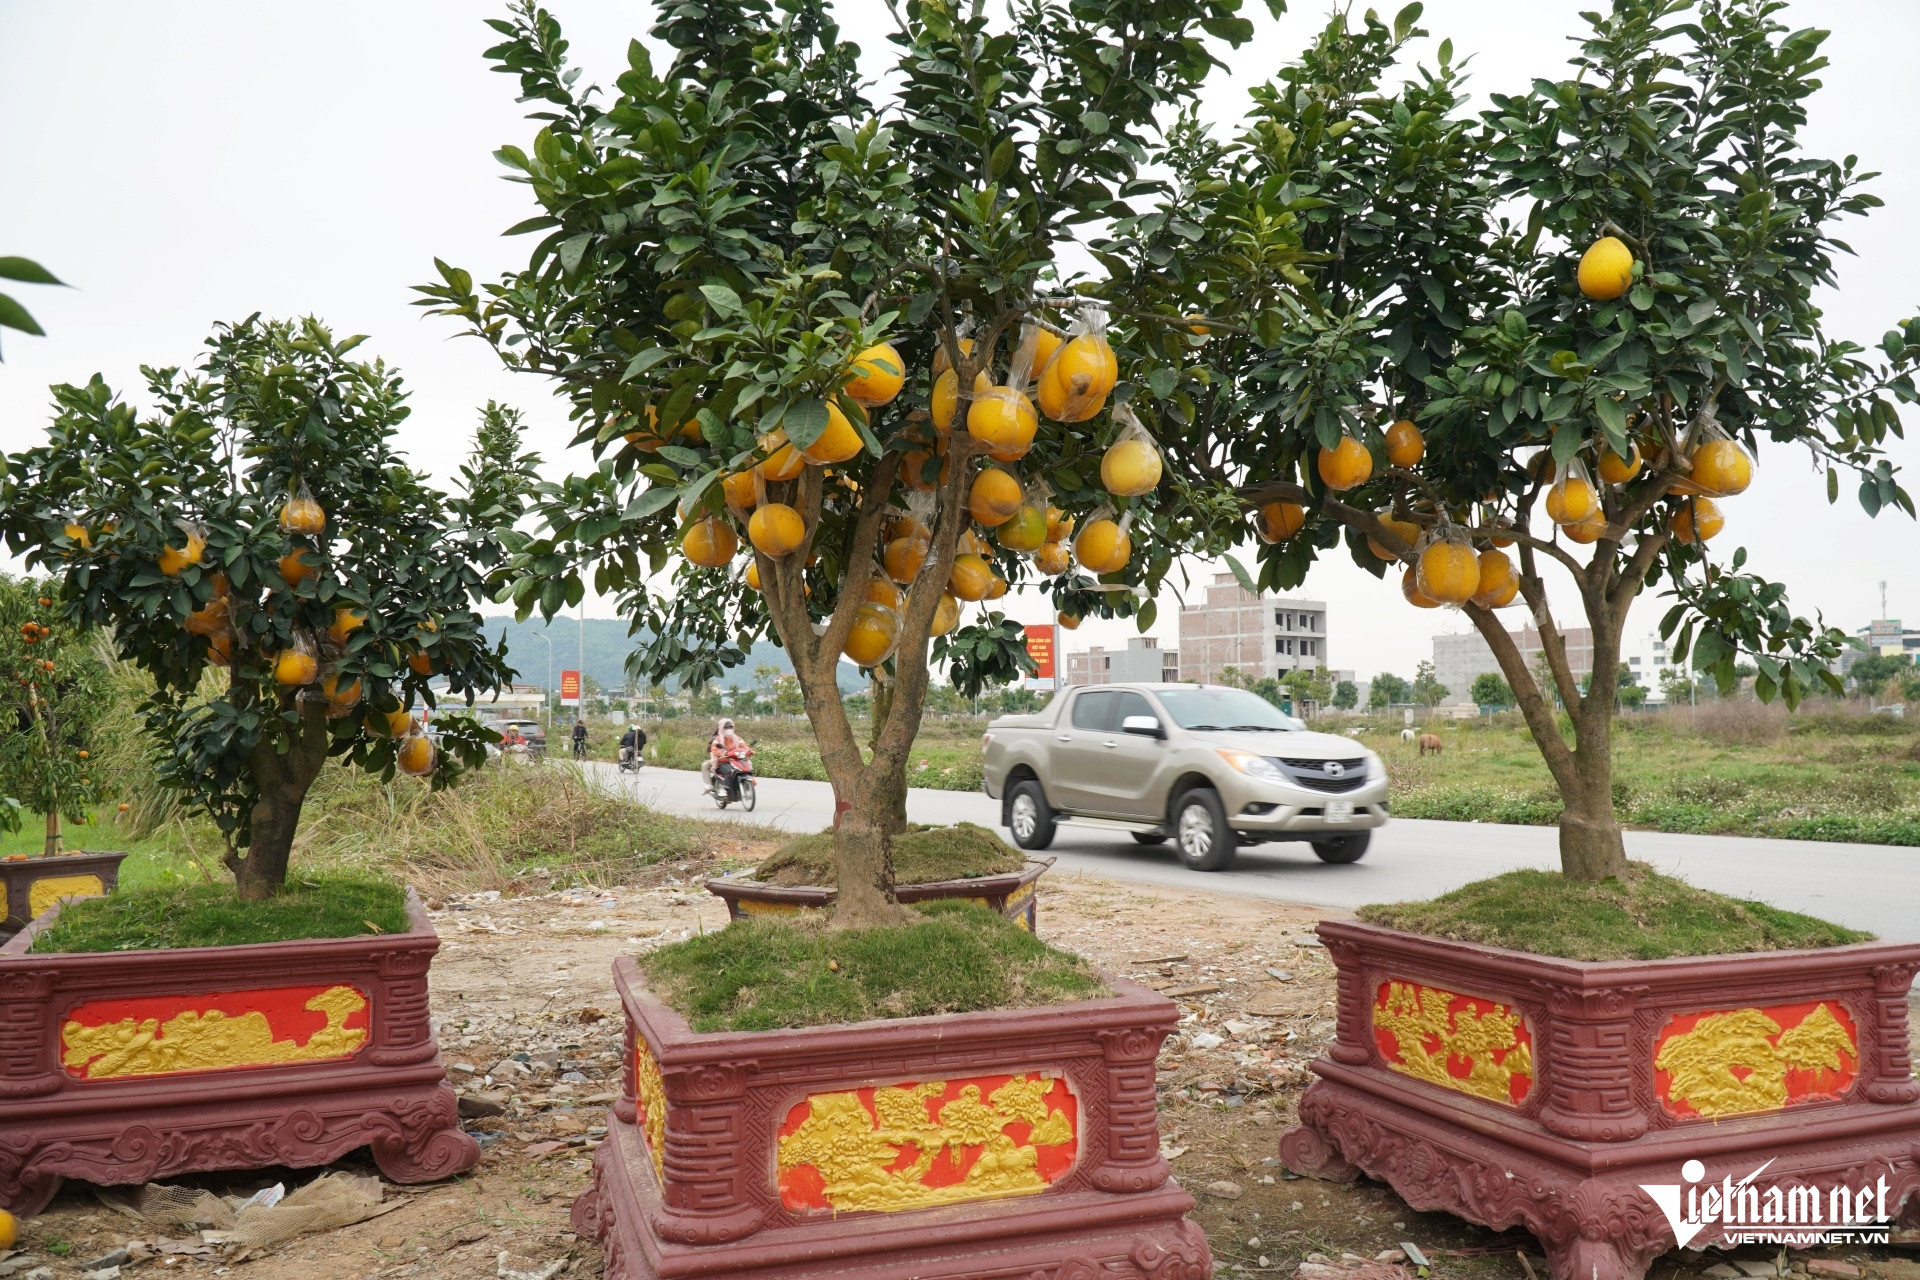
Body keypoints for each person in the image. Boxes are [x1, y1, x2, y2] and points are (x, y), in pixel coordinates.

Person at [708, 717, 751, 799]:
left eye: (730, 727)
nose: (729, 729)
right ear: (722, 728)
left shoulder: (737, 738)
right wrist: (722, 753)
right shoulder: (718, 739)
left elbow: (743, 746)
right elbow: (714, 749)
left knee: (747, 768)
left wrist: (749, 751)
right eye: (726, 727)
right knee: (730, 771)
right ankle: (724, 788)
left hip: (736, 760)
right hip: (723, 761)